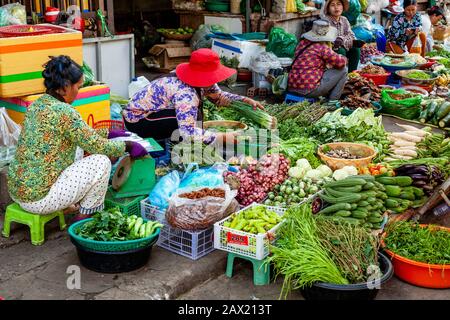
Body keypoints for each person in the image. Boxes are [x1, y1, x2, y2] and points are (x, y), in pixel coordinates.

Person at [7, 56, 148, 222]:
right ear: (65, 87)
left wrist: (109, 133)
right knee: (101, 162)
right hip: (38, 200)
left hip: (18, 190)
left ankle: (68, 202)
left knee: (80, 146)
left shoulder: (39, 104)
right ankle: (84, 217)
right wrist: (129, 146)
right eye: (78, 87)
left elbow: (82, 134)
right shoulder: (65, 112)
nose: (78, 91)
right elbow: (98, 147)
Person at [123, 48, 264, 146]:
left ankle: (184, 143)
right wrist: (220, 137)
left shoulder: (200, 79)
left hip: (154, 111)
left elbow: (218, 94)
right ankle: (173, 146)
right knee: (186, 123)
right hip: (137, 120)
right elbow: (187, 131)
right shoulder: (186, 94)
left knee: (194, 119)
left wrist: (245, 100)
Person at [288, 19, 348, 100]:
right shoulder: (322, 47)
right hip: (308, 91)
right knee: (344, 70)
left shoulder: (301, 44)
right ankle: (332, 102)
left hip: (291, 88)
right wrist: (342, 57)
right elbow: (341, 63)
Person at [321, 0, 364, 72]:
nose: (336, 7)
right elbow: (332, 41)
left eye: (338, 4)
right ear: (328, 9)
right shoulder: (326, 21)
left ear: (342, 7)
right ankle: (340, 76)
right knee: (340, 50)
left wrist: (342, 40)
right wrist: (344, 40)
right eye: (332, 5)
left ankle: (351, 74)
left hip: (344, 46)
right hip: (330, 50)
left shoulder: (344, 19)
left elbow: (351, 35)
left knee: (356, 49)